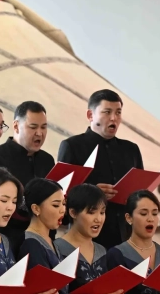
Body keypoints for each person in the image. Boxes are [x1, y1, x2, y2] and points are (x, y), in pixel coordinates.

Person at [58, 89, 143, 249]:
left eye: (118, 112)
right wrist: (92, 193)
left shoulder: (131, 150)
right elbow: (61, 195)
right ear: (90, 115)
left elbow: (141, 192)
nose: (114, 118)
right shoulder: (73, 146)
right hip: (86, 237)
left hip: (126, 236)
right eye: (107, 112)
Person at [0, 101, 55, 254]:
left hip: (44, 240)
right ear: (16, 126)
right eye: (33, 127)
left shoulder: (47, 160)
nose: (39, 133)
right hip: (10, 242)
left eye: (44, 127)